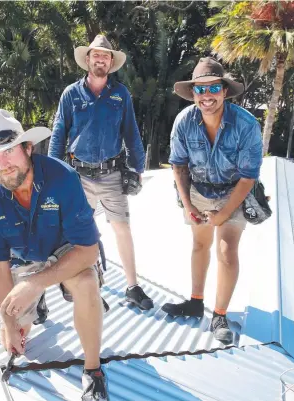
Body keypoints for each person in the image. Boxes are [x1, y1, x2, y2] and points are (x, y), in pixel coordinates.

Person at [0, 109, 109, 400]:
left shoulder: (63, 178)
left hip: (66, 251)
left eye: (8, 151)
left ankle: (93, 370)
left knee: (85, 283)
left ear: (28, 147)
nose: (2, 164)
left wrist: (35, 283)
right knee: (15, 330)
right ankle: (34, 302)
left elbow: (87, 250)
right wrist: (8, 321)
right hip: (23, 258)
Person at [48, 35, 153, 311]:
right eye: (96, 55)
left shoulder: (121, 95)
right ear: (87, 59)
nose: (100, 59)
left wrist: (137, 169)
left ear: (111, 62)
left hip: (111, 174)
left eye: (105, 56)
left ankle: (133, 287)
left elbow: (132, 133)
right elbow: (59, 134)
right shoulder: (71, 94)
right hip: (78, 175)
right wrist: (51, 172)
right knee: (82, 234)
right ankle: (93, 286)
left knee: (122, 229)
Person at [162, 58, 263, 344]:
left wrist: (223, 214)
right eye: (200, 90)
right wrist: (188, 204)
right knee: (199, 244)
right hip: (198, 190)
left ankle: (219, 314)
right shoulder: (184, 121)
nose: (206, 96)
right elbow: (178, 165)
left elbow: (247, 178)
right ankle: (195, 301)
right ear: (193, 93)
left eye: (213, 88)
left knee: (227, 250)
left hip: (234, 192)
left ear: (224, 91)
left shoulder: (246, 125)